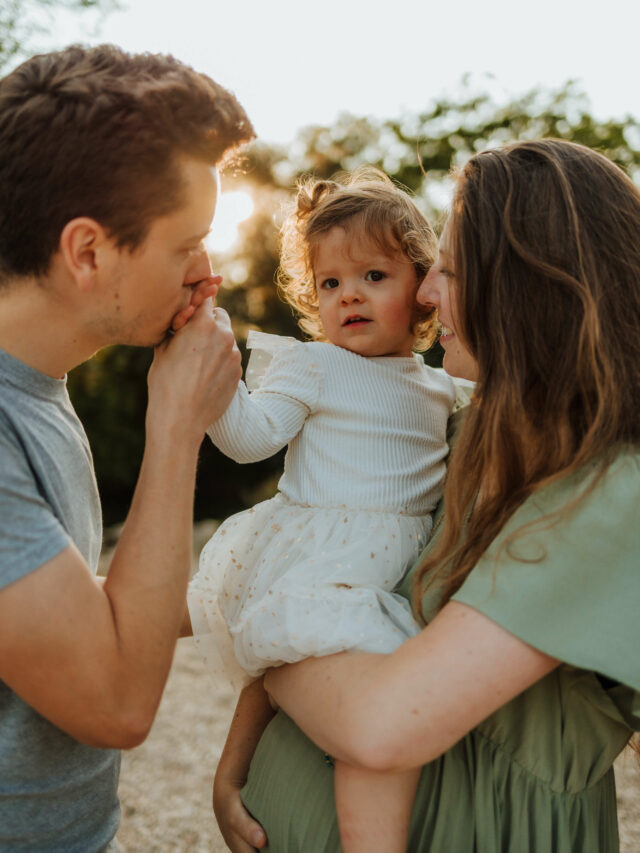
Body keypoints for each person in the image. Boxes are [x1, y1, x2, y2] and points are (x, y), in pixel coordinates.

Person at [212, 139, 640, 853]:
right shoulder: (465, 431)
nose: (427, 291)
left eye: (448, 266)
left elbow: (379, 722)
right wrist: (236, 766)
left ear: (532, 284)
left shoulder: (608, 493)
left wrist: (262, 630)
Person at [0, 44, 254, 851]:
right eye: (187, 244)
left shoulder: (35, 385)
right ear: (88, 251)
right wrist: (176, 425)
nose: (206, 273)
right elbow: (114, 702)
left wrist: (278, 585)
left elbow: (67, 617)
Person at [188, 169, 462, 852]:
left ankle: (251, 786)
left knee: (307, 673)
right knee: (336, 668)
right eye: (331, 283)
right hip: (325, 551)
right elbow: (250, 438)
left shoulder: (442, 385)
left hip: (396, 565)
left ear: (422, 289)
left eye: (374, 275)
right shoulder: (315, 366)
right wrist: (213, 374)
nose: (350, 296)